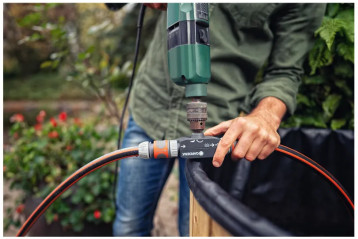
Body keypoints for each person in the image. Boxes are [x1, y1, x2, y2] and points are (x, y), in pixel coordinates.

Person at [113, 3, 326, 236]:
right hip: (150, 108)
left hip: (217, 133)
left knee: (194, 231)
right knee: (128, 226)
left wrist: (266, 117)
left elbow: (286, 71)